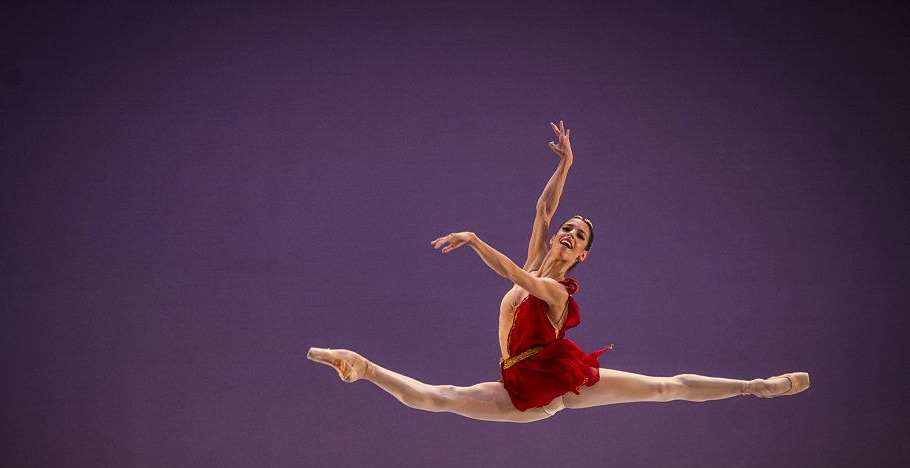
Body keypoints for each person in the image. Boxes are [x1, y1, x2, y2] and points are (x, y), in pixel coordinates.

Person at [307, 121, 809, 424]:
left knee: (665, 386)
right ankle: (361, 365)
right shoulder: (538, 256)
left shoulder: (555, 290)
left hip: (559, 382)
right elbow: (544, 209)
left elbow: (514, 273)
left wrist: (474, 239)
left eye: (579, 236)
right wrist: (566, 165)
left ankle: (758, 385)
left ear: (583, 255)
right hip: (519, 383)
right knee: (439, 399)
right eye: (567, 229)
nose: (568, 234)